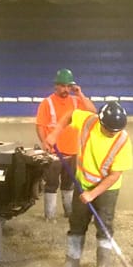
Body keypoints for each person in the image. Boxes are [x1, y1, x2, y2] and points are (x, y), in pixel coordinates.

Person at [46, 101, 132, 267]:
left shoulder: (123, 141)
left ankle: (104, 265)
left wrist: (92, 194)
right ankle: (72, 260)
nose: (112, 134)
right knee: (76, 222)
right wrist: (55, 134)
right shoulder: (89, 121)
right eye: (109, 130)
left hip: (107, 189)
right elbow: (70, 113)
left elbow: (115, 175)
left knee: (104, 224)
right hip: (83, 182)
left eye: (116, 131)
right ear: (101, 122)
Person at [35, 68, 96, 220]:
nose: (65, 89)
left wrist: (80, 94)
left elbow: (93, 112)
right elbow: (40, 125)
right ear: (56, 86)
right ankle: (50, 216)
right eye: (62, 86)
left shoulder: (76, 101)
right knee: (51, 184)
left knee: (69, 184)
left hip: (73, 151)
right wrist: (44, 142)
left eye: (68, 86)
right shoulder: (47, 103)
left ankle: (69, 213)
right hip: (54, 153)